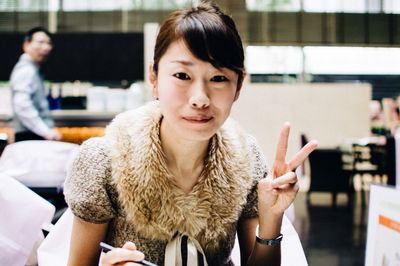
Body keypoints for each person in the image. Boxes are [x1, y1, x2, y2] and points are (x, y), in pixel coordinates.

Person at [64, 2, 318, 266]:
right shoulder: (104, 161)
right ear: (154, 78)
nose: (200, 99)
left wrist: (272, 219)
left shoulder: (246, 158)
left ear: (239, 86)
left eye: (218, 78)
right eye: (182, 75)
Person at [10, 26, 61, 142]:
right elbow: (22, 105)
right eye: (41, 42)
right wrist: (45, 131)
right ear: (26, 45)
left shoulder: (32, 68)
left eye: (49, 43)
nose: (46, 47)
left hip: (31, 135)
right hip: (29, 136)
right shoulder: (26, 70)